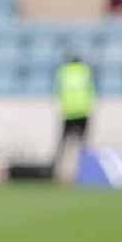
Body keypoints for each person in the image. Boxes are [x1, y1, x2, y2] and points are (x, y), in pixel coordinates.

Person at [52, 55, 96, 184]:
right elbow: (92, 90)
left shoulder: (63, 71)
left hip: (68, 112)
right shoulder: (85, 70)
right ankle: (85, 172)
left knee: (63, 145)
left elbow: (57, 90)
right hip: (83, 111)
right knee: (83, 145)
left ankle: (57, 172)